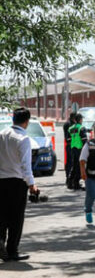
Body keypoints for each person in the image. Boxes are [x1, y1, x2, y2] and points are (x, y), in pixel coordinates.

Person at [0, 107, 39, 261]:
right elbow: (25, 165)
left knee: (2, 214)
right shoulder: (23, 139)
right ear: (27, 122)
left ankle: (1, 241)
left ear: (13, 119)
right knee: (16, 218)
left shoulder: (2, 134)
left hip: (1, 180)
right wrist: (32, 185)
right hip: (16, 182)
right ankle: (12, 250)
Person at [68, 113, 86, 190]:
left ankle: (70, 182)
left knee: (74, 166)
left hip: (73, 149)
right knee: (79, 166)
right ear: (80, 120)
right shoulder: (81, 128)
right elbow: (84, 140)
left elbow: (68, 139)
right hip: (80, 149)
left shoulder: (71, 128)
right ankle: (76, 183)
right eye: (82, 119)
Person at [63, 112, 76, 189]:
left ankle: (68, 178)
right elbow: (71, 136)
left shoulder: (66, 124)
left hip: (68, 145)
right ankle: (70, 180)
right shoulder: (71, 125)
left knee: (69, 163)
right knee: (72, 163)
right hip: (71, 145)